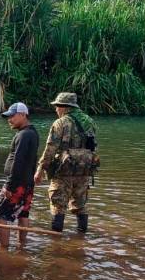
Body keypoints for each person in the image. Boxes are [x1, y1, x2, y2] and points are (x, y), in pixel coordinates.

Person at [34, 92, 98, 233]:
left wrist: (40, 169)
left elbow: (50, 148)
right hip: (84, 170)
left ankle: (56, 243)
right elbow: (93, 147)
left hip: (63, 171)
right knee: (81, 205)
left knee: (58, 205)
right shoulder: (90, 121)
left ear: (65, 107)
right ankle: (81, 240)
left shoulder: (60, 123)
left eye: (57, 106)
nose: (56, 109)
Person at [0, 102, 39, 248]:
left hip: (17, 184)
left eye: (12, 116)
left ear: (23, 115)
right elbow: (32, 161)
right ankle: (22, 246)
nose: (9, 119)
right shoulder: (33, 133)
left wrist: (9, 185)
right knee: (23, 214)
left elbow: (18, 161)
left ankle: (4, 251)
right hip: (27, 183)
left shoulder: (23, 135)